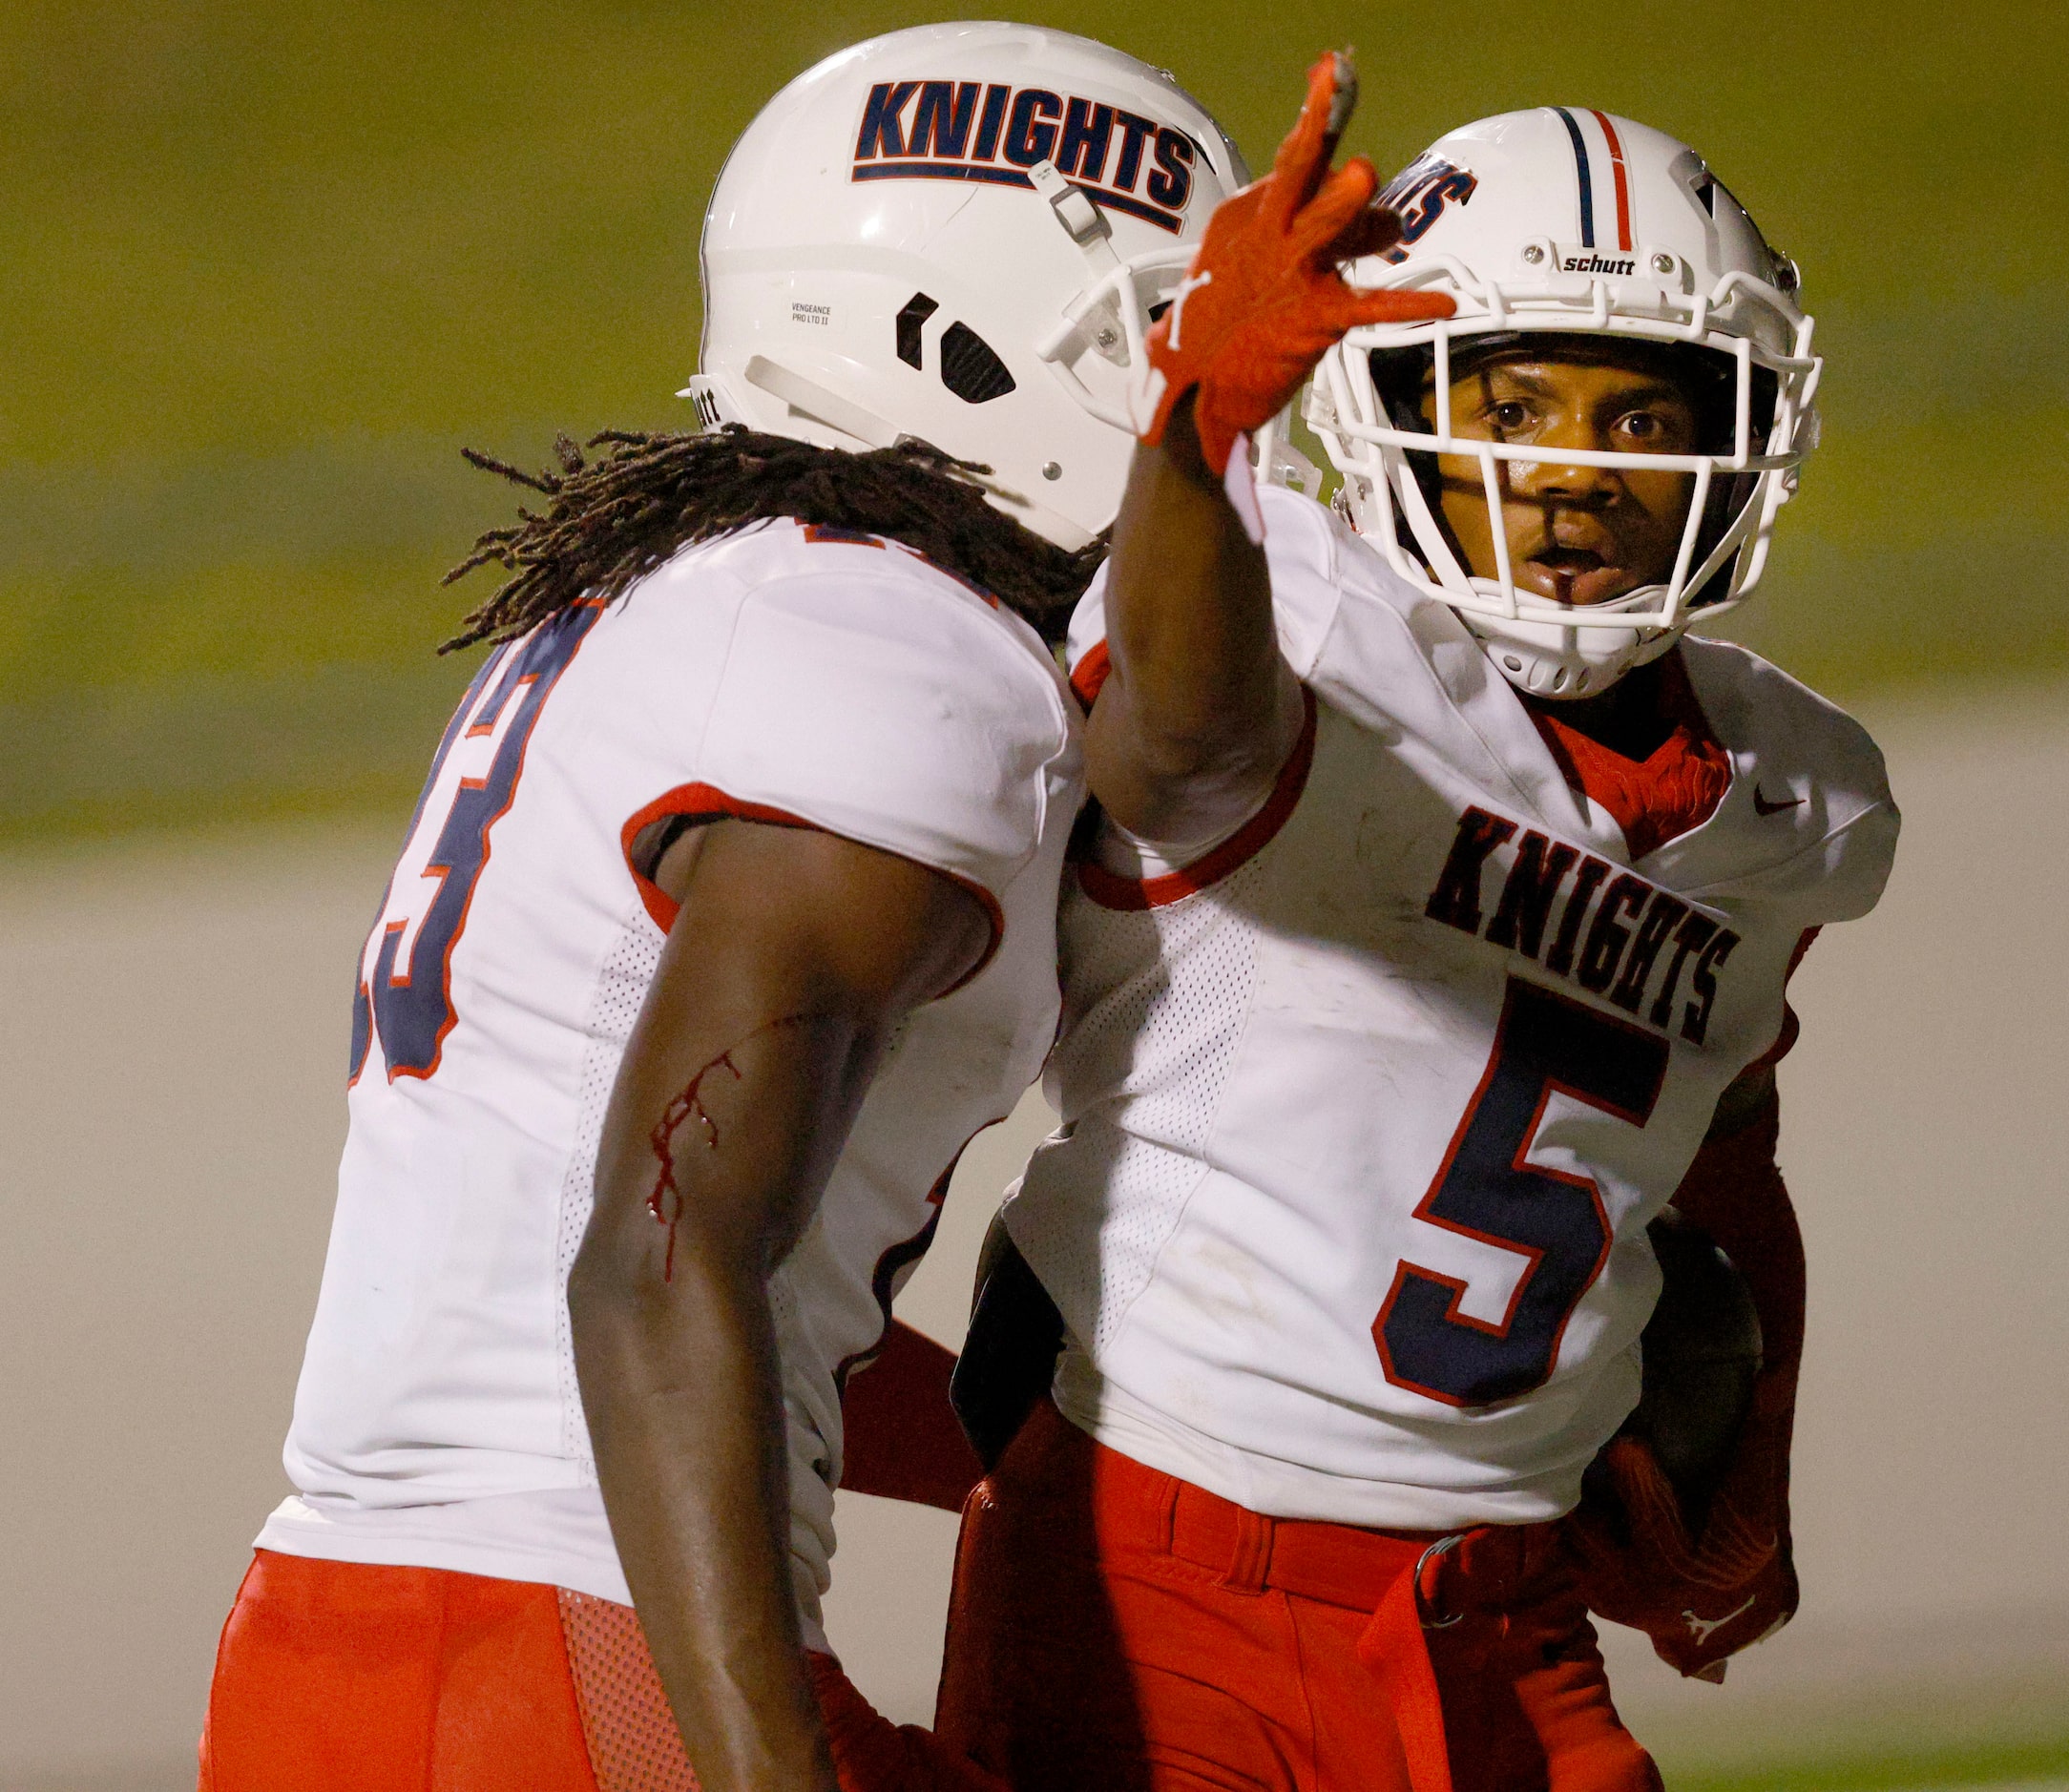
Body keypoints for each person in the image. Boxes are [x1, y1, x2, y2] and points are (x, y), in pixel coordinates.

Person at [194, 24, 1242, 1792]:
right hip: (567, 1661)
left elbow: (637, 1259)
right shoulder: (895, 649)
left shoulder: (690, 598)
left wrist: (1079, 1442)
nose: (1199, 413)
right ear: (957, 343)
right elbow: (661, 1260)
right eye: (1154, 341)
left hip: (352, 1634)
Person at [937, 58, 1898, 1792]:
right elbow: (1177, 745)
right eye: (1513, 402)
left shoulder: (1788, 802)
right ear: (1380, 405)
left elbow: (1713, 1118)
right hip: (1167, 1563)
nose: (1574, 475)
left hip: (1504, 1603)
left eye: (1639, 416)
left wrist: (1742, 1450)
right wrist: (1194, 430)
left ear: (1739, 436)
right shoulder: (1296, 621)